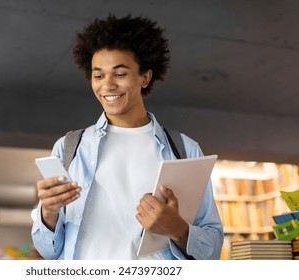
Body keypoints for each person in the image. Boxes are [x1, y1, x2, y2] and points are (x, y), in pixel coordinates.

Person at [31, 14, 223, 260]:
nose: (107, 85)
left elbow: (213, 249)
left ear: (145, 77)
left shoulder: (185, 149)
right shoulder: (69, 148)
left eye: (119, 74)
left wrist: (178, 230)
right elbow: (48, 251)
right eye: (98, 75)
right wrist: (48, 212)